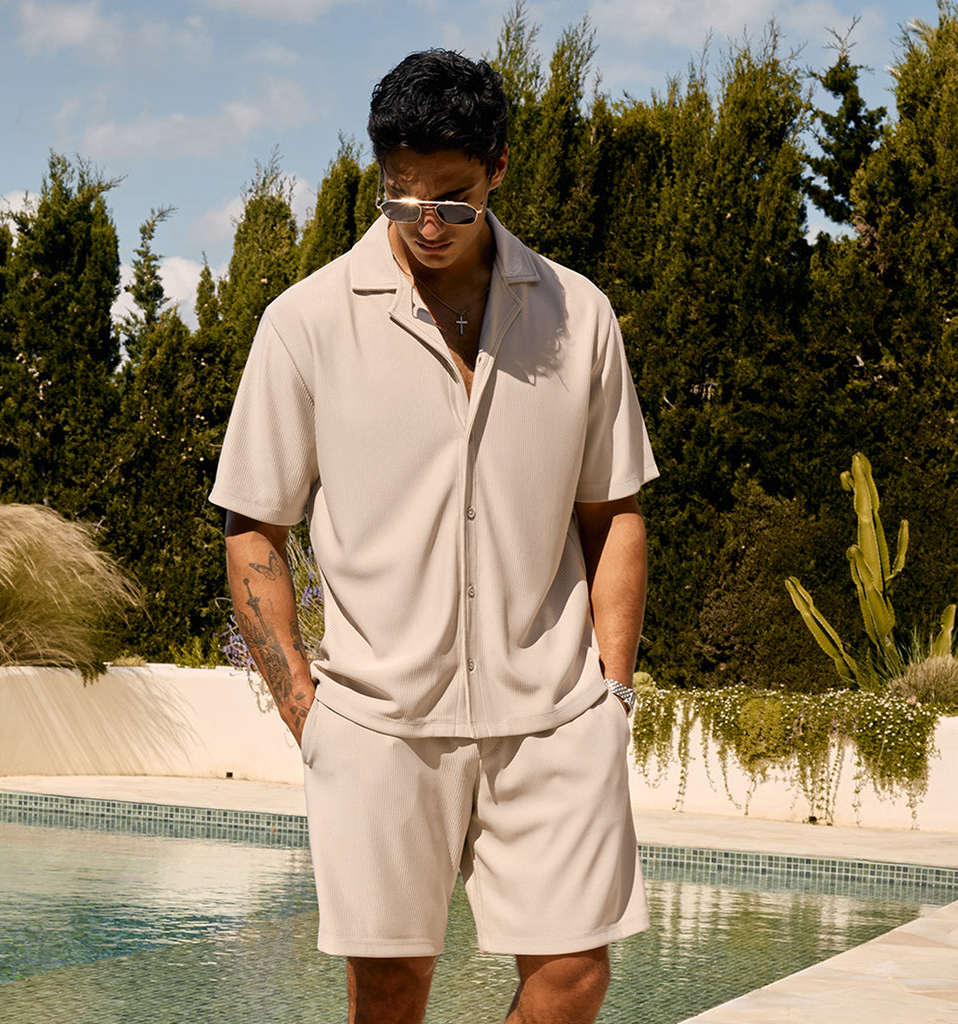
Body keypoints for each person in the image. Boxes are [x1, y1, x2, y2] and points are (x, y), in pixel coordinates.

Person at [210, 48, 658, 1024]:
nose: (425, 221)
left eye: (452, 199)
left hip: (553, 713)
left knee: (574, 973)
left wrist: (613, 691)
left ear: (497, 168)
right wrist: (304, 710)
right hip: (376, 722)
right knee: (390, 987)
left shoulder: (578, 315)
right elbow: (254, 531)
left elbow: (613, 511)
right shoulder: (304, 323)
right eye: (401, 194)